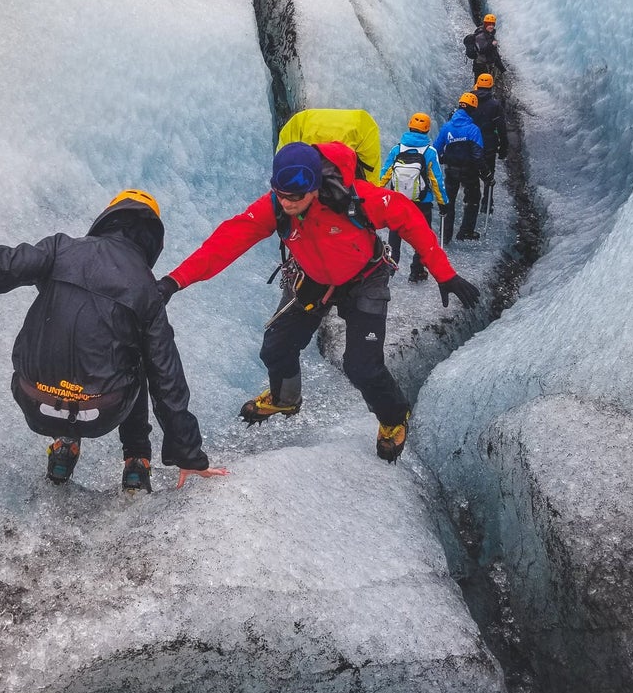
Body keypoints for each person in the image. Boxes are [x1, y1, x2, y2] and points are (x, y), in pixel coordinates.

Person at [155, 142, 479, 464]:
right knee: (276, 347)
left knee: (361, 365)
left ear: (314, 187)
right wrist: (175, 280)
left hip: (365, 279)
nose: (287, 202)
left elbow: (407, 216)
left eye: (295, 197)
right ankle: (285, 399)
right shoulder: (276, 206)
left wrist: (444, 274)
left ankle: (394, 416)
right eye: (280, 194)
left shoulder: (356, 199)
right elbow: (226, 242)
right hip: (314, 280)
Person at [0, 191, 227, 492]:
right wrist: (188, 454)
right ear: (153, 240)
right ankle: (137, 461)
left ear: (107, 219)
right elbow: (167, 381)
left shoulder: (61, 250)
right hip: (102, 412)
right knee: (140, 358)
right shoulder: (146, 289)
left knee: (65, 335)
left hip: (33, 397)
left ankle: (64, 443)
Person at [379, 113, 448, 282]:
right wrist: (443, 202)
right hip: (422, 203)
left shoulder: (397, 149)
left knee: (394, 237)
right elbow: (436, 179)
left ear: (409, 126)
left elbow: (385, 174)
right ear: (427, 129)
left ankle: (389, 270)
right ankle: (416, 271)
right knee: (421, 238)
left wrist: (375, 193)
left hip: (398, 202)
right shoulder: (429, 152)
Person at [433, 94, 492, 242]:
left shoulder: (447, 127)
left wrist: (444, 159)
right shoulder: (473, 129)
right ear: (472, 109)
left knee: (449, 202)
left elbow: (436, 150)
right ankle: (465, 231)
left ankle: (445, 236)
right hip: (469, 171)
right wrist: (487, 174)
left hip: (451, 170)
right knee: (473, 199)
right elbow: (478, 156)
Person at [472, 72, 508, 213]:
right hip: (489, 145)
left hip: (472, 144)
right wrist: (503, 147)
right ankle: (487, 205)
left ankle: (473, 202)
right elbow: (501, 127)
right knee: (489, 175)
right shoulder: (495, 105)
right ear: (491, 87)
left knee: (473, 174)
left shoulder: (469, 101)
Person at [463, 14, 506, 80]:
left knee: (485, 86)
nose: (491, 26)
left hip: (487, 66)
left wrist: (502, 69)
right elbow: (481, 50)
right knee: (481, 85)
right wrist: (492, 45)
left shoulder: (489, 35)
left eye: (492, 24)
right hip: (481, 66)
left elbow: (494, 53)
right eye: (489, 24)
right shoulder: (480, 36)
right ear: (485, 24)